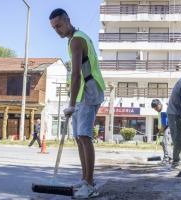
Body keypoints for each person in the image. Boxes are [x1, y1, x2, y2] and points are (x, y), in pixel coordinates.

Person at [50, 8, 105, 199]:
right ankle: (85, 179)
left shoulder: (77, 40)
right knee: (79, 137)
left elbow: (75, 75)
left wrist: (71, 104)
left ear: (67, 20)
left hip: (89, 91)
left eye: (58, 25)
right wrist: (72, 101)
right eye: (54, 28)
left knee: (84, 136)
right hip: (82, 93)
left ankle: (90, 185)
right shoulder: (73, 40)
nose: (57, 30)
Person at [151, 99, 172, 166]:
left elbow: (164, 124)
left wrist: (160, 131)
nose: (156, 109)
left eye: (156, 107)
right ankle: (170, 159)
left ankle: (166, 160)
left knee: (165, 143)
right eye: (154, 109)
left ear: (159, 104)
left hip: (168, 128)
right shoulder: (162, 110)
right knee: (167, 143)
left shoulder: (163, 111)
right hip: (167, 128)